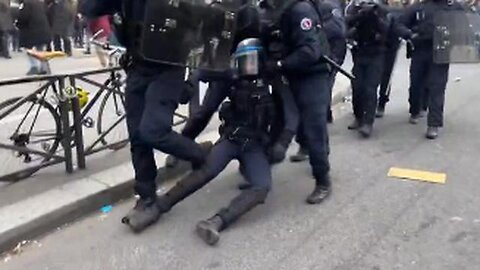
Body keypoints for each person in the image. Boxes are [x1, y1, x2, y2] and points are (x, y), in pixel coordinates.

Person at [81, 0, 228, 232]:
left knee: (153, 131)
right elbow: (90, 8)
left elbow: (202, 22)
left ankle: (199, 154)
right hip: (137, 66)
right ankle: (147, 197)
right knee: (138, 137)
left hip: (168, 68)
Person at [142, 38, 294, 245]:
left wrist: (283, 142)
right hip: (231, 139)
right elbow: (204, 78)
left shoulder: (273, 80)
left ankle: (217, 222)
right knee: (206, 171)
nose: (246, 66)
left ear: (260, 60)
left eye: (251, 60)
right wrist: (192, 81)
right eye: (242, 61)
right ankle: (158, 207)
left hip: (255, 146)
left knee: (261, 187)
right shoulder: (232, 76)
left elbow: (292, 114)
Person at [261, 0, 333, 204]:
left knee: (314, 127)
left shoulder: (300, 9)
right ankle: (260, 173)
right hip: (288, 74)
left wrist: (279, 64)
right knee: (278, 122)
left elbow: (310, 51)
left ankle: (323, 180)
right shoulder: (270, 9)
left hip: (312, 74)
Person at [290, 0, 347, 163]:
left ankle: (322, 154)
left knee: (317, 112)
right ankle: (304, 145)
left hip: (323, 63)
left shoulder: (327, 6)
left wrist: (314, 29)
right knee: (298, 107)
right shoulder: (295, 7)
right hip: (300, 64)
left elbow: (338, 32)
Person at [400, 0, 463, 139]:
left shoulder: (453, 7)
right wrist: (410, 35)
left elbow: (464, 26)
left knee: (437, 87)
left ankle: (433, 123)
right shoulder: (419, 7)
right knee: (416, 83)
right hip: (421, 50)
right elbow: (400, 24)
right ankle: (415, 110)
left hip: (441, 52)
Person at [345, 0, 390, 138]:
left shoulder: (380, 8)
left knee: (370, 89)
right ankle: (358, 116)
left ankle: (367, 123)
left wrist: (374, 14)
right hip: (359, 52)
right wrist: (361, 14)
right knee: (357, 86)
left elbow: (386, 28)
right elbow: (346, 25)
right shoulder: (354, 7)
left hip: (376, 53)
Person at [375, 0, 407, 118]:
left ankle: (381, 102)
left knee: (385, 75)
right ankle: (377, 103)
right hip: (381, 44)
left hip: (390, 45)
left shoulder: (397, 10)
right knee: (381, 75)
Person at [17, 0, 52, 75]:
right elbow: (49, 15)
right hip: (44, 30)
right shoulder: (42, 3)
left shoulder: (26, 4)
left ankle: (34, 66)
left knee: (30, 50)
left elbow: (23, 17)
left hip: (31, 31)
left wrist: (18, 24)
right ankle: (44, 67)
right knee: (41, 49)